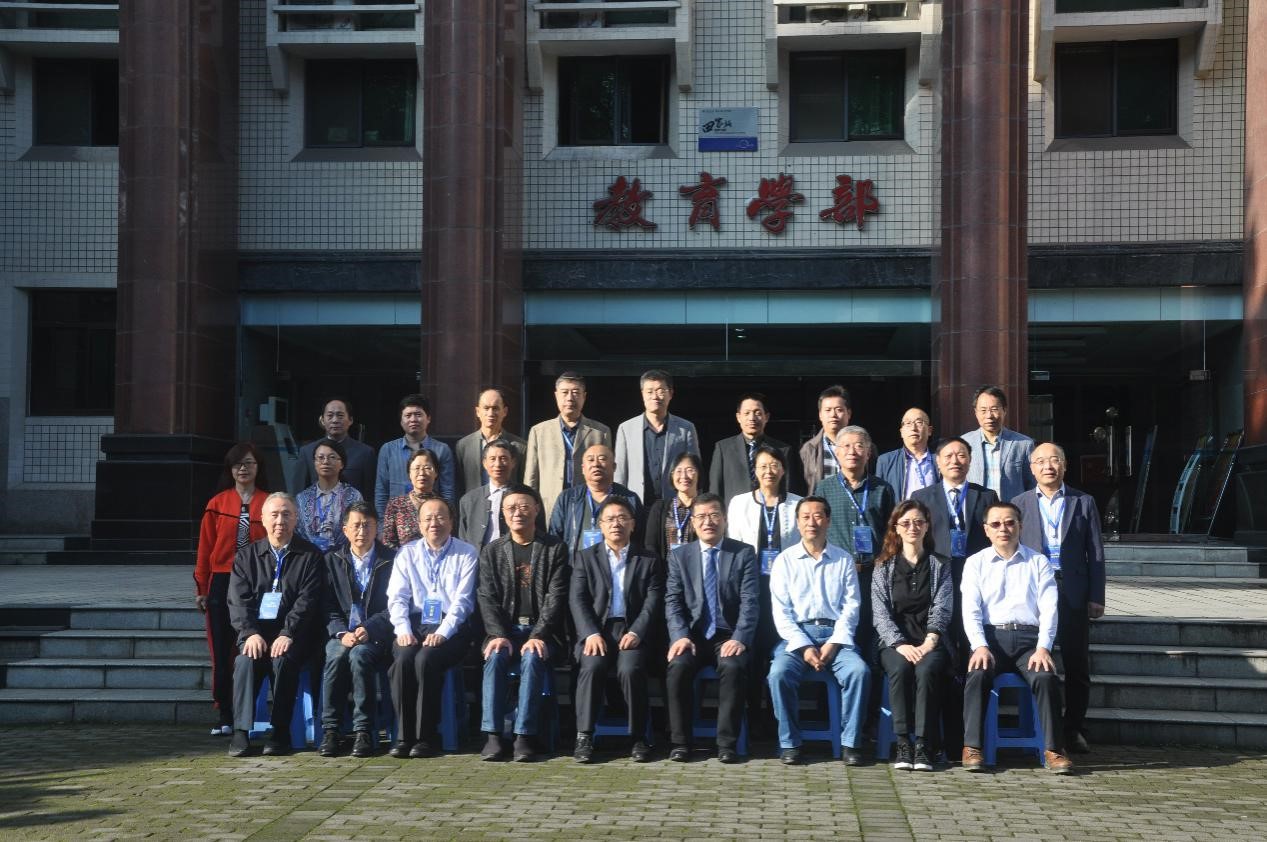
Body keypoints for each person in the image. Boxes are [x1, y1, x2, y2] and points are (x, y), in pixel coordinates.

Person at [961, 502, 1073, 774]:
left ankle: (1054, 749)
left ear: (1020, 526)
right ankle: (972, 746)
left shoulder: (1038, 562)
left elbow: (1049, 608)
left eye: (1010, 522)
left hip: (1029, 642)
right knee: (977, 674)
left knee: (1045, 678)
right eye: (996, 524)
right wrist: (979, 645)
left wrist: (1044, 647)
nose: (1004, 529)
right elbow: (970, 609)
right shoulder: (975, 563)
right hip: (991, 639)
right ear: (986, 530)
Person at [1013, 442, 1106, 755]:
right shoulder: (1019, 503)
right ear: (1032, 468)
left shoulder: (1083, 502)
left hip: (1072, 589)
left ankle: (1074, 728)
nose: (1048, 466)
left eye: (1054, 460)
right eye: (1040, 461)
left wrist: (1097, 595)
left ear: (1064, 466)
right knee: (1037, 660)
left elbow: (1095, 552)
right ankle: (1043, 728)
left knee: (1077, 662)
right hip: (1034, 591)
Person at [911, 436, 997, 756]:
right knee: (942, 659)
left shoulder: (985, 496)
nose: (955, 461)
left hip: (976, 587)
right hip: (937, 586)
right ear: (937, 462)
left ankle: (966, 738)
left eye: (961, 455)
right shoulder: (922, 497)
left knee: (967, 661)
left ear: (970, 460)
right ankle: (938, 739)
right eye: (948, 456)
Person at [767, 496, 869, 765]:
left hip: (836, 637)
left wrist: (834, 643)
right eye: (805, 517)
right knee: (778, 674)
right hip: (796, 637)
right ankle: (790, 743)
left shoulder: (843, 559)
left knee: (859, 672)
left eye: (818, 516)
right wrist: (804, 646)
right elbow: (781, 612)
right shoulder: (784, 561)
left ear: (828, 521)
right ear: (797, 523)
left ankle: (850, 743)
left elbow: (852, 607)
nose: (812, 522)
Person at [476, 485, 570, 763]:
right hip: (504, 632)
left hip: (544, 633)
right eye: (511, 508)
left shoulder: (554, 548)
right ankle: (493, 735)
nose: (518, 513)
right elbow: (486, 597)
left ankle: (524, 736)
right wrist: (498, 633)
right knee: (495, 656)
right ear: (503, 514)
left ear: (537, 509)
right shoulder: (492, 551)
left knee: (532, 657)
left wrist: (539, 634)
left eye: (524, 506)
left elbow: (556, 597)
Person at [226, 492, 324, 757]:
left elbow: (307, 601)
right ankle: (240, 731)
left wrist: (288, 632)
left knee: (283, 659)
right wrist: (249, 633)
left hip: (294, 635)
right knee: (245, 660)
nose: (280, 521)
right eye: (275, 515)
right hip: (256, 633)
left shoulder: (310, 556)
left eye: (286, 514)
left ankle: (280, 731)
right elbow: (238, 600)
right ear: (262, 519)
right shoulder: (247, 557)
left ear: (296, 519)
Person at [664, 493, 757, 764]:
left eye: (714, 515)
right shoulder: (680, 556)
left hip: (727, 635)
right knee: (677, 666)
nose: (708, 522)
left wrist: (740, 637)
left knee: (733, 667)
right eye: (702, 517)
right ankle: (680, 742)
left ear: (725, 519)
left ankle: (726, 744)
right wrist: (680, 636)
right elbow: (672, 600)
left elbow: (750, 601)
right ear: (693, 523)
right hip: (692, 636)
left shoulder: (743, 553)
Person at [569, 496, 663, 763]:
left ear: (633, 524)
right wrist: (590, 633)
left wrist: (637, 632)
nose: (616, 524)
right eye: (610, 519)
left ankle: (638, 737)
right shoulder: (585, 557)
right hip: (597, 629)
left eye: (623, 518)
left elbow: (653, 601)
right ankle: (584, 736)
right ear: (600, 525)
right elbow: (577, 599)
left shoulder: (648, 559)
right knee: (591, 666)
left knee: (630, 669)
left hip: (632, 630)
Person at [385, 497, 479, 758]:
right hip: (415, 623)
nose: (434, 523)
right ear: (419, 524)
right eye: (427, 518)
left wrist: (442, 633)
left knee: (425, 659)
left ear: (451, 521)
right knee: (403, 659)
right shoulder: (407, 553)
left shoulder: (466, 552)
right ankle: (404, 737)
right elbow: (397, 597)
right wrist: (402, 629)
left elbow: (463, 602)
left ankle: (426, 737)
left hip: (452, 626)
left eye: (440, 517)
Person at [725, 444, 803, 737]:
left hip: (786, 591)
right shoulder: (739, 503)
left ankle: (775, 715)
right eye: (762, 466)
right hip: (749, 588)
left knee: (779, 649)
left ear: (783, 469)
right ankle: (752, 713)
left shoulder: (797, 503)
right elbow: (732, 544)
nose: (768, 471)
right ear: (754, 471)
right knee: (752, 651)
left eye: (774, 465)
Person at [871, 500, 954, 771]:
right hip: (894, 642)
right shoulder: (883, 566)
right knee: (900, 669)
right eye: (905, 523)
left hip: (931, 641)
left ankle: (923, 744)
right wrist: (899, 644)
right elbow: (880, 613)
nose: (912, 528)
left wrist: (930, 641)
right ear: (896, 527)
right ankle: (903, 742)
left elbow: (942, 607)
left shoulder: (940, 565)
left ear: (927, 526)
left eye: (919, 522)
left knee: (926, 671)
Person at [195, 442, 268, 736]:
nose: (243, 469)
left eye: (249, 463)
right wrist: (202, 587)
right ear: (230, 469)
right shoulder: (217, 503)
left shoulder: (269, 502)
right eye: (238, 464)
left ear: (258, 467)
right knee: (221, 649)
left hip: (257, 580)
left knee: (251, 646)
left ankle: (249, 711)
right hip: (222, 580)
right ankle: (224, 712)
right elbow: (205, 549)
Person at [813, 426, 895, 676]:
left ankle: (871, 694)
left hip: (874, 574)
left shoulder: (883, 488)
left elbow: (891, 533)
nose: (852, 451)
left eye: (859, 446)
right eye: (846, 446)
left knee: (871, 634)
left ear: (869, 453)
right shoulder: (824, 489)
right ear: (836, 453)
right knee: (840, 634)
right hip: (836, 575)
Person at [318, 501, 396, 758]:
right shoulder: (331, 560)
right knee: (336, 654)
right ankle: (331, 730)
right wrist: (341, 632)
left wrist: (370, 627)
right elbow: (326, 605)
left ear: (377, 528)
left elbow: (396, 604)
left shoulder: (391, 560)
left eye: (367, 525)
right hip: (342, 633)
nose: (362, 531)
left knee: (360, 655)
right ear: (345, 530)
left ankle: (364, 730)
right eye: (356, 525)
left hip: (377, 635)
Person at [523, 372, 611, 519]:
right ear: (556, 396)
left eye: (575, 392)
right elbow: (531, 477)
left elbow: (608, 475)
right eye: (564, 393)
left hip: (588, 505)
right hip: (550, 506)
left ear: (584, 396)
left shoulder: (600, 432)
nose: (570, 398)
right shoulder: (539, 431)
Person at [614, 369, 700, 507]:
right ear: (642, 394)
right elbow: (620, 474)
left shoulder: (686, 428)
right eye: (649, 392)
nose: (655, 396)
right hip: (636, 505)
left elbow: (695, 469)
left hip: (675, 506)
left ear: (670, 393)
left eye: (661, 391)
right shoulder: (626, 429)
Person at [548, 444, 642, 557]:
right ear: (583, 468)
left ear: (614, 467)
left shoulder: (629, 499)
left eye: (602, 459)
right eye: (590, 460)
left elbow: (639, 539)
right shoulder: (568, 498)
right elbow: (554, 538)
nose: (596, 464)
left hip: (617, 565)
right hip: (574, 565)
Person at [375, 394, 456, 513]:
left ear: (428, 418)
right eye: (408, 415)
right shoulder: (388, 450)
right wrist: (383, 521)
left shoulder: (442, 450)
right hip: (397, 518)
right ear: (401, 421)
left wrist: (446, 518)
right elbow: (381, 492)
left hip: (432, 518)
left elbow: (447, 491)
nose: (413, 419)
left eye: (418, 415)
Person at [709, 392, 796, 503]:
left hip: (772, 509)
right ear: (738, 417)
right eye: (747, 413)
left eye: (757, 413)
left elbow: (788, 488)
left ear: (766, 417)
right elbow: (715, 489)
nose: (752, 418)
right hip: (735, 512)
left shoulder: (782, 450)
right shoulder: (723, 448)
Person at [962, 386, 1035, 502]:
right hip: (976, 510)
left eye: (994, 409)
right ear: (976, 413)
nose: (989, 416)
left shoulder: (1023, 444)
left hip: (1011, 509)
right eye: (983, 410)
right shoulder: (964, 443)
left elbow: (1032, 484)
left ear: (1004, 410)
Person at [295, 398, 376, 501]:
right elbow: (299, 493)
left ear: (350, 420)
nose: (335, 420)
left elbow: (369, 494)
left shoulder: (365, 453)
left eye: (340, 416)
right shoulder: (307, 452)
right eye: (330, 415)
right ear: (322, 420)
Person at [296, 438, 364, 552]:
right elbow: (298, 532)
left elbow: (358, 529)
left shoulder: (354, 496)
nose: (325, 462)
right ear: (314, 463)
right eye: (320, 457)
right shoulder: (302, 498)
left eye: (332, 457)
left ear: (342, 464)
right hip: (309, 556)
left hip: (342, 556)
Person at [455, 387, 526, 496]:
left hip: (507, 504)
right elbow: (459, 484)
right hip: (474, 504)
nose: (491, 413)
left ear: (505, 411)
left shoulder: (519, 447)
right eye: (486, 408)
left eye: (495, 408)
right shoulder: (464, 446)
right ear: (478, 412)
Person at [457, 439, 527, 548]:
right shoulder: (469, 500)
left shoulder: (526, 497)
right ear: (484, 463)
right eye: (492, 459)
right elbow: (463, 540)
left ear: (513, 462)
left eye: (503, 458)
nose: (498, 464)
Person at [643, 451, 702, 562]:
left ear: (699, 474)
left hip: (696, 569)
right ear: (672, 475)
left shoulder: (705, 508)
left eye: (689, 470)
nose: (684, 476)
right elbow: (650, 545)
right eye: (678, 471)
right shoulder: (659, 508)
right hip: (665, 570)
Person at [379, 448, 442, 549]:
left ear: (436, 473)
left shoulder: (443, 506)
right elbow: (388, 542)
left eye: (427, 468)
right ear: (409, 474)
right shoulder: (396, 504)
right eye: (416, 468)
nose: (422, 473)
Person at [875, 408, 939, 501]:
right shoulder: (885, 461)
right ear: (901, 432)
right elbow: (879, 499)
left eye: (919, 422)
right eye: (908, 423)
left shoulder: (940, 459)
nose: (913, 428)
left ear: (929, 430)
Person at [799, 385, 852, 492]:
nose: (833, 415)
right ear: (820, 415)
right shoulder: (808, 449)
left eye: (839, 410)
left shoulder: (864, 447)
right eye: (828, 410)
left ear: (849, 413)